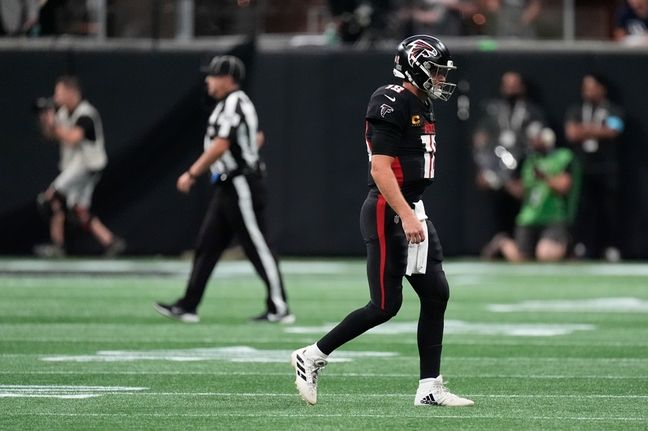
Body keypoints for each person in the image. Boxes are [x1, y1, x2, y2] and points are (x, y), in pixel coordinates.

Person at [290, 35, 473, 407]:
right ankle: (311, 355)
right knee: (385, 305)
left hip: (411, 207)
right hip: (389, 209)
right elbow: (380, 167)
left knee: (436, 293)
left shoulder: (420, 101)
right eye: (435, 71)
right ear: (415, 67)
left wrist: (411, 210)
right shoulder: (391, 99)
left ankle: (429, 387)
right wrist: (405, 213)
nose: (440, 79)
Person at [154, 55, 293, 324]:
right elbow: (255, 137)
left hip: (241, 184)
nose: (208, 80)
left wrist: (192, 173)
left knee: (257, 246)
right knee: (207, 245)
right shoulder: (229, 105)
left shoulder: (233, 102)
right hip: (229, 185)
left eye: (213, 75)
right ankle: (188, 305)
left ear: (228, 79)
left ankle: (279, 306)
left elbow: (221, 145)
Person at [35, 75, 125, 258]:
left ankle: (58, 245)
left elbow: (72, 137)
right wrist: (47, 122)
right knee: (78, 209)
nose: (57, 98)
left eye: (59, 93)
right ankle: (111, 242)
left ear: (72, 92)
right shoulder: (63, 113)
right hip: (76, 165)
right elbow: (50, 136)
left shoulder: (86, 114)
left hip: (87, 165)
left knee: (52, 199)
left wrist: (54, 126)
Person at [472, 71, 546, 257]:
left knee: (522, 212)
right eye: (507, 84)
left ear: (522, 87)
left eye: (514, 84)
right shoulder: (493, 111)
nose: (511, 88)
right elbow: (480, 141)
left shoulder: (532, 112)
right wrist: (484, 169)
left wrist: (526, 174)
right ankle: (497, 245)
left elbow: (539, 143)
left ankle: (522, 248)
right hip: (496, 172)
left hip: (522, 173)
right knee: (495, 211)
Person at [483, 127, 578, 262]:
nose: (535, 141)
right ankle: (502, 241)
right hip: (529, 217)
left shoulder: (562, 156)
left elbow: (564, 186)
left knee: (545, 254)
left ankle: (568, 247)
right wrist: (502, 181)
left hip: (552, 215)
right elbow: (522, 191)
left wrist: (544, 177)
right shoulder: (529, 161)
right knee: (520, 259)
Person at [565, 74, 625, 262]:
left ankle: (610, 247)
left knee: (608, 209)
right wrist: (598, 129)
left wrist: (584, 129)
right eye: (585, 87)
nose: (587, 91)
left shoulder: (613, 109)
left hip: (606, 167)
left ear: (602, 89)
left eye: (591, 87)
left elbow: (614, 130)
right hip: (583, 167)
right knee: (583, 209)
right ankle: (583, 246)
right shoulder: (576, 109)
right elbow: (571, 133)